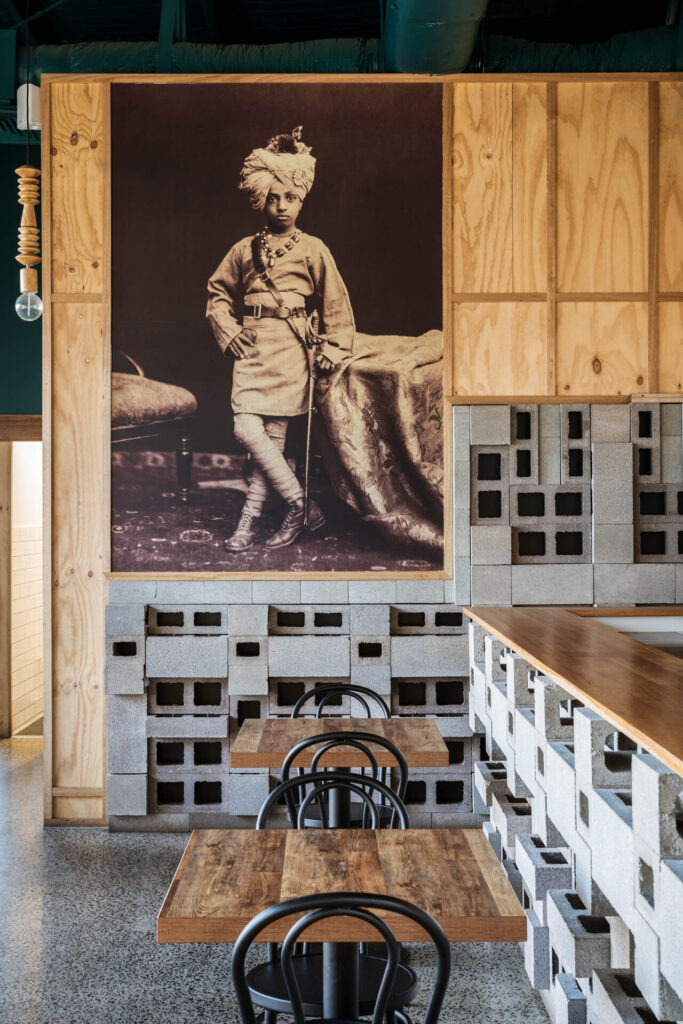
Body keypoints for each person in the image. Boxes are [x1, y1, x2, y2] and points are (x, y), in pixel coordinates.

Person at [206, 126, 355, 552]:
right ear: (260, 199)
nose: (281, 205)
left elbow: (336, 302)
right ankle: (301, 504)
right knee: (246, 429)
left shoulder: (313, 248)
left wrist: (331, 347)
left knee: (269, 442)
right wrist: (228, 328)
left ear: (301, 199)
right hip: (252, 349)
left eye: (290, 197)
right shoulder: (242, 249)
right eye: (273, 197)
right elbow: (217, 292)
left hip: (292, 350)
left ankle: (246, 523)